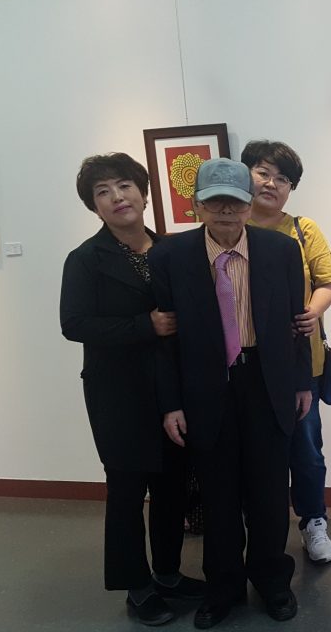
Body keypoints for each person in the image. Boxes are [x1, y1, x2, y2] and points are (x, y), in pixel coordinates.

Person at [149, 158, 313, 629]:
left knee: (269, 492)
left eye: (235, 202)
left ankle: (273, 582)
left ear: (249, 203)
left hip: (266, 380)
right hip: (205, 386)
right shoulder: (169, 256)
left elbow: (297, 323)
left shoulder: (281, 250)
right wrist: (171, 403)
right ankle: (222, 589)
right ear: (197, 205)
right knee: (217, 495)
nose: (226, 211)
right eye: (215, 201)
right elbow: (164, 342)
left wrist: (301, 381)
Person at [60, 153, 205, 626]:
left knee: (172, 487)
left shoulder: (169, 249)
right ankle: (137, 587)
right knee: (126, 491)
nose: (116, 197)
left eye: (124, 185)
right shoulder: (85, 259)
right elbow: (74, 324)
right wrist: (145, 325)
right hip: (118, 393)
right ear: (94, 206)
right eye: (102, 192)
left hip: (173, 391)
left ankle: (167, 573)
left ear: (143, 192)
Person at [241, 140, 331, 564]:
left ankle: (314, 521)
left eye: (282, 179)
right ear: (245, 173)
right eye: (263, 173)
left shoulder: (303, 230)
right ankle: (260, 529)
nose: (271, 183)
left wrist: (312, 312)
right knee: (253, 452)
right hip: (245, 363)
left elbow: (327, 281)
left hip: (302, 363)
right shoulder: (229, 225)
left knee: (306, 450)